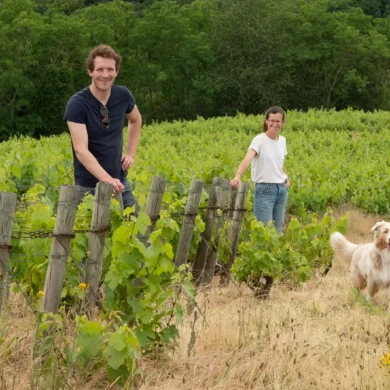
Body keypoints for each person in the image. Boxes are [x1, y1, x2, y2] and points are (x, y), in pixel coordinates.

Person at [63, 44, 142, 212]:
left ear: (116, 72)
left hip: (120, 183)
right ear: (90, 71)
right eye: (99, 69)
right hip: (88, 188)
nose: (105, 75)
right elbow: (81, 150)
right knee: (91, 236)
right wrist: (107, 180)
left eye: (110, 69)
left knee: (140, 231)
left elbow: (136, 120)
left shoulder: (123, 95)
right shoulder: (77, 104)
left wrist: (130, 154)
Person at [230, 106, 290, 234]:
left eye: (278, 121)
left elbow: (280, 162)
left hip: (281, 190)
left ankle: (274, 254)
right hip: (265, 191)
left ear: (283, 123)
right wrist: (238, 176)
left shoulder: (282, 140)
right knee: (264, 232)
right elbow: (247, 158)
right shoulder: (259, 140)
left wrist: (286, 178)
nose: (275, 124)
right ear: (266, 121)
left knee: (277, 230)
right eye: (272, 120)